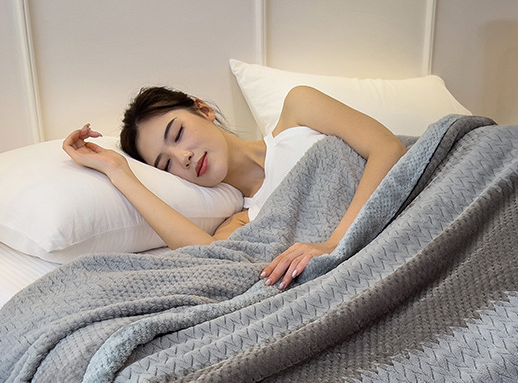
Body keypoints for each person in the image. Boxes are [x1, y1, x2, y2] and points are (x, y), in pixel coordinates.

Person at [62, 86, 406, 290]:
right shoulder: (244, 222)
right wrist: (118, 172)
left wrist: (335, 243)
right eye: (166, 164)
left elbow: (388, 148)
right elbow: (211, 258)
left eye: (178, 134)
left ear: (203, 110)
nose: (183, 157)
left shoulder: (298, 111)